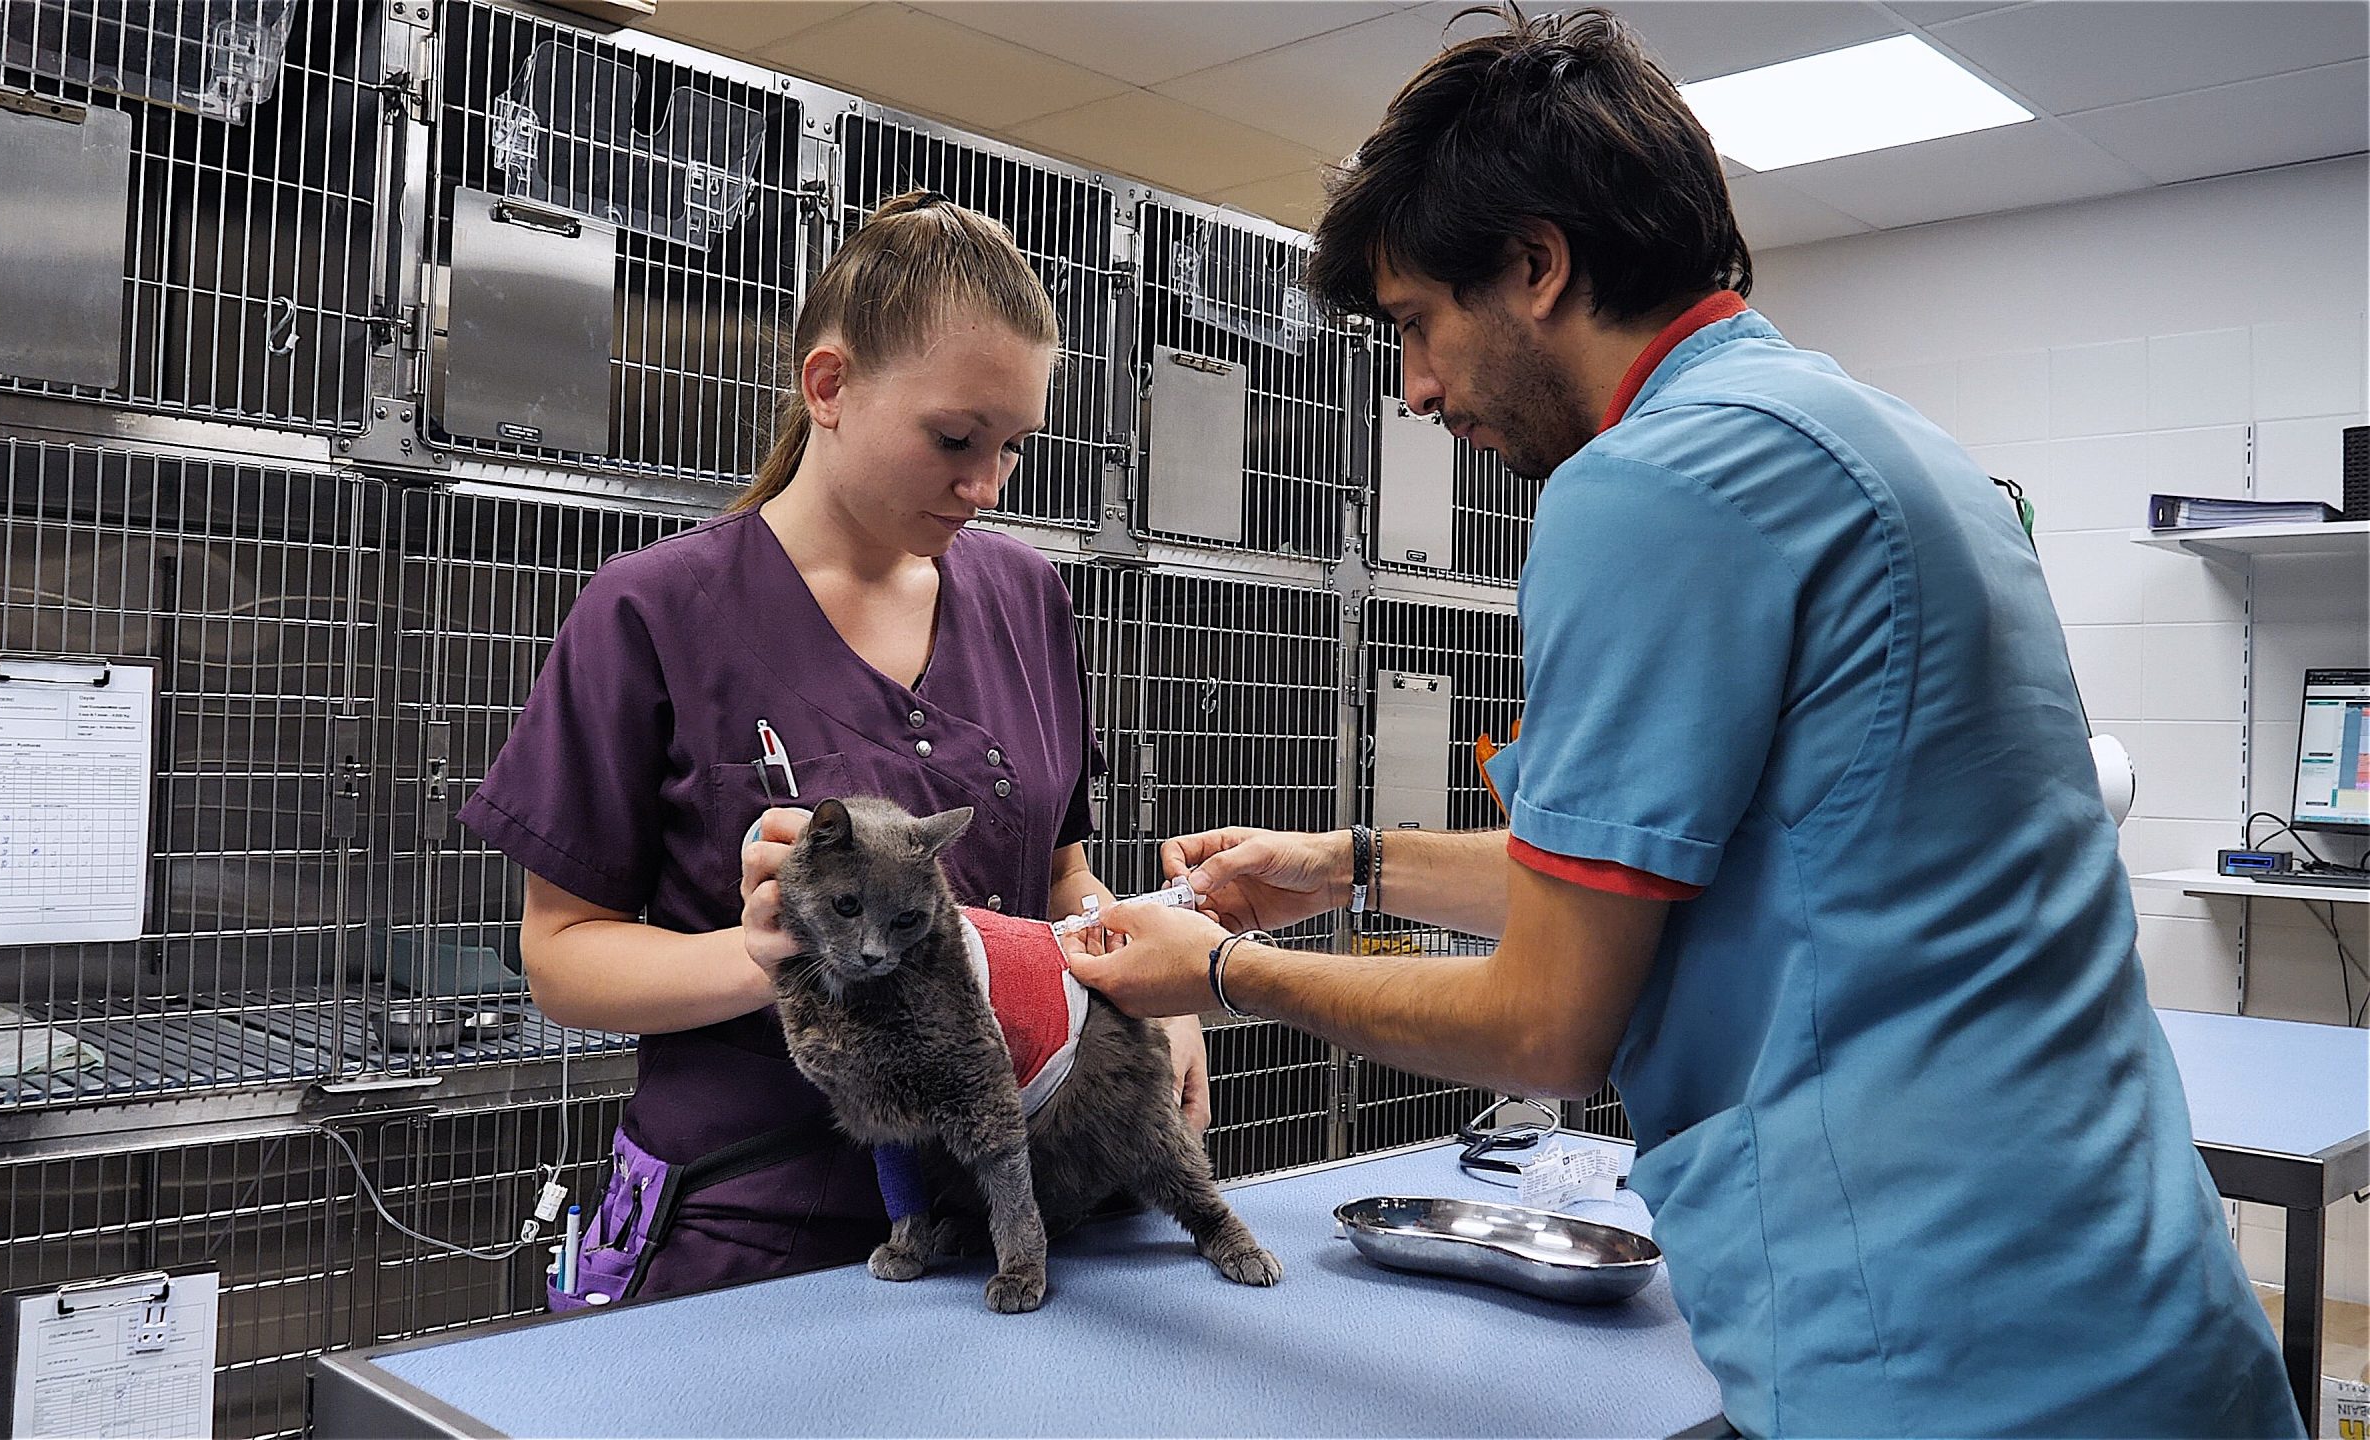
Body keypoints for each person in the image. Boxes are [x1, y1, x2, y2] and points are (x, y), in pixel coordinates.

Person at [1062, 12, 2300, 1436]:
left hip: (1942, 1349)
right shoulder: (1889, 445)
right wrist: (1351, 863)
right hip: (2137, 1298)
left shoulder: (1647, 485)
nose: (1413, 388)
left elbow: (1549, 1022)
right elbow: (1720, 859)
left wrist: (1224, 971)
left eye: (1417, 324)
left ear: (1535, 265)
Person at [462, 191, 1207, 1302]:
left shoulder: (1024, 596)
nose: (986, 485)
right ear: (829, 388)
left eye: (1011, 447)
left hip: (1025, 1194)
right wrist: (766, 954)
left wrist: (1147, 993)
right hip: (762, 1225)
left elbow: (1058, 880)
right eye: (954, 440)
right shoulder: (656, 612)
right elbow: (564, 958)